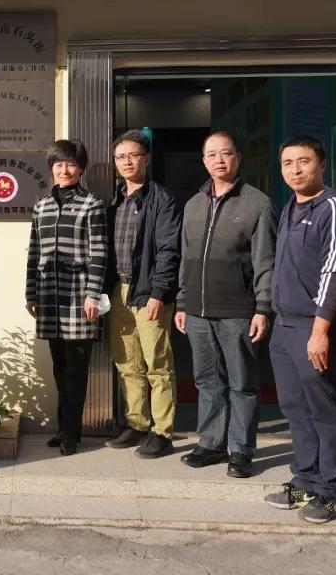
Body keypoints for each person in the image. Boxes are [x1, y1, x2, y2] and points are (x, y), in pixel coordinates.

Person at [265, 135, 336, 524]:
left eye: (303, 161)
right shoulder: (291, 205)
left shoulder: (334, 206)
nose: (295, 169)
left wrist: (320, 331)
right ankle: (305, 480)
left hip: (313, 324)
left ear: (321, 164)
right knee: (295, 407)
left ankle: (331, 491)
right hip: (284, 324)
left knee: (324, 407)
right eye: (288, 163)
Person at [175, 131, 277, 478]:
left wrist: (263, 308)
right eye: (212, 154)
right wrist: (182, 302)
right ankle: (211, 443)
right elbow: (185, 258)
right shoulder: (193, 204)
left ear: (238, 157)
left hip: (238, 311)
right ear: (204, 161)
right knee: (207, 380)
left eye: (226, 153)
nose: (219, 160)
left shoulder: (258, 204)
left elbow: (266, 262)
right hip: (198, 311)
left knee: (242, 383)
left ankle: (241, 450)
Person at [103, 130, 182, 458]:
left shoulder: (161, 199)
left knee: (157, 364)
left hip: (149, 291)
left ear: (145, 159)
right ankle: (136, 423)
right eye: (120, 157)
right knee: (127, 362)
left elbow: (168, 250)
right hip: (118, 291)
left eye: (133, 155)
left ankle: (162, 431)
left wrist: (159, 293)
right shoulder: (114, 199)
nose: (127, 162)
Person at [25, 139, 107, 456]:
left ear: (81, 168)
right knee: (60, 367)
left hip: (79, 295)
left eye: (70, 164)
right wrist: (30, 292)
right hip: (48, 295)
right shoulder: (42, 206)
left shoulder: (92, 204)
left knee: (76, 369)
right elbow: (34, 252)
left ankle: (71, 433)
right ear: (52, 168)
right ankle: (64, 428)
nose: (64, 169)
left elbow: (99, 253)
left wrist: (93, 294)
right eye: (58, 164)